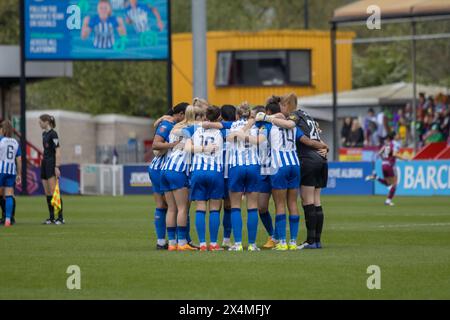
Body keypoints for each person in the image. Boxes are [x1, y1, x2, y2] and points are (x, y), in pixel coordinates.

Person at [257, 93, 329, 249]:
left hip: (278, 165)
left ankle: (282, 241)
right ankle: (294, 242)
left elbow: (259, 139)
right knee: (293, 203)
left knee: (280, 205)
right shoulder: (296, 125)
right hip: (294, 164)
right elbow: (309, 139)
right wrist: (324, 146)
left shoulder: (270, 124)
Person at [225, 104, 268, 251]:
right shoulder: (257, 126)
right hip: (253, 166)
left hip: (236, 166)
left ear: (237, 115)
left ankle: (237, 244)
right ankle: (252, 244)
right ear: (250, 114)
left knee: (235, 206)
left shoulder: (232, 126)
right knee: (252, 207)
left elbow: (228, 140)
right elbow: (261, 145)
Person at [161, 106, 201, 251]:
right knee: (182, 208)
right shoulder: (195, 129)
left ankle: (172, 243)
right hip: (178, 170)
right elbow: (190, 148)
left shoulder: (175, 127)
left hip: (166, 169)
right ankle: (183, 242)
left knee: (171, 209)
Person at [184, 106, 224, 252]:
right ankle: (213, 244)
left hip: (198, 172)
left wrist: (201, 148)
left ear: (205, 116)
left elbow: (187, 147)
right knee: (214, 209)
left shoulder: (194, 128)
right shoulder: (222, 130)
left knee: (200, 208)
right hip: (215, 172)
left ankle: (201, 244)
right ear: (218, 117)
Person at [149, 103, 187, 250]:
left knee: (169, 206)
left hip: (162, 167)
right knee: (171, 206)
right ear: (181, 114)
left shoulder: (171, 122)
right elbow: (155, 144)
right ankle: (173, 241)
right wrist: (173, 145)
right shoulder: (168, 123)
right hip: (160, 167)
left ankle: (166, 241)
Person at [366, 132, 407, 206]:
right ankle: (388, 201)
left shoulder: (386, 144)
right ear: (394, 137)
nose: (399, 136)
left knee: (388, 183)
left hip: (383, 164)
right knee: (394, 184)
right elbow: (394, 154)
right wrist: (404, 158)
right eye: (397, 135)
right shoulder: (395, 144)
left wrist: (385, 159)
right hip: (390, 165)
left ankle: (376, 177)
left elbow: (378, 154)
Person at [39, 115, 64, 225]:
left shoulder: (53, 134)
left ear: (46, 122)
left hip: (51, 163)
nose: (39, 124)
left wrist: (57, 166)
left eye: (40, 122)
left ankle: (60, 217)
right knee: (47, 191)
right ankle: (51, 217)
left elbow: (58, 151)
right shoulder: (44, 134)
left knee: (54, 191)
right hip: (44, 162)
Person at [0, 121, 21, 228]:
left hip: (0, 170)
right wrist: (19, 174)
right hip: (11, 171)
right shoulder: (15, 142)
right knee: (9, 195)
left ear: (3, 130)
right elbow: (19, 160)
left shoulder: (0, 140)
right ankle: (8, 220)